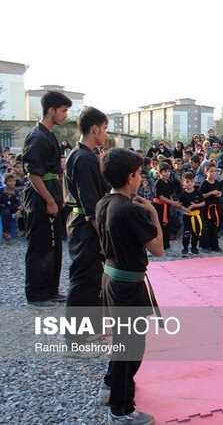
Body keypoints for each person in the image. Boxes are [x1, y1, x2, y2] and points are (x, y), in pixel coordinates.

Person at [96, 147, 162, 425]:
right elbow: (157, 248)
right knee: (130, 348)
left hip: (111, 279)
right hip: (126, 286)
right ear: (130, 177)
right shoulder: (130, 210)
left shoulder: (103, 203)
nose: (141, 178)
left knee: (125, 345)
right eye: (139, 174)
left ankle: (111, 383)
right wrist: (154, 215)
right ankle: (121, 410)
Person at [63, 107, 111, 350]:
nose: (105, 134)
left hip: (82, 223)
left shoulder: (83, 155)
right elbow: (90, 204)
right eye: (104, 129)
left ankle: (90, 326)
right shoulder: (83, 158)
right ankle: (75, 336)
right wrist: (103, 236)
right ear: (95, 129)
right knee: (85, 279)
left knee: (92, 278)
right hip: (85, 225)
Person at [22, 91, 72, 309]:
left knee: (54, 247)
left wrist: (58, 197)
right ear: (51, 110)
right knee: (40, 248)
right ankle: (35, 294)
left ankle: (50, 290)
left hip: (51, 194)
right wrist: (50, 200)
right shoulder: (37, 136)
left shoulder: (49, 134)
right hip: (40, 198)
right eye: (63, 110)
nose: (65, 115)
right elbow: (33, 173)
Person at [152, 162, 181, 250]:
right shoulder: (158, 183)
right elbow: (161, 197)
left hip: (167, 206)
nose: (167, 173)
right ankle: (158, 245)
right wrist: (173, 203)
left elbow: (170, 195)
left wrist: (174, 204)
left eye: (168, 171)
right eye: (164, 171)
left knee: (167, 225)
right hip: (158, 207)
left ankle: (166, 244)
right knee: (159, 225)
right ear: (159, 172)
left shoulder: (169, 183)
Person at [199, 162, 223, 252]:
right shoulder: (204, 183)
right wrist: (211, 193)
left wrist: (219, 193)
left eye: (215, 171)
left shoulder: (217, 183)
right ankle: (205, 246)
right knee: (206, 227)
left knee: (215, 226)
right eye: (211, 171)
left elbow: (221, 191)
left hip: (215, 207)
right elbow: (201, 195)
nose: (214, 173)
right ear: (206, 172)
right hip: (206, 208)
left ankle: (214, 245)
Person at [179, 172, 205, 257]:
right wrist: (185, 209)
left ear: (194, 182)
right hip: (187, 215)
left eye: (191, 181)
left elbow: (203, 203)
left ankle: (194, 247)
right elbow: (180, 204)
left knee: (196, 232)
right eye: (187, 182)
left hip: (196, 215)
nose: (189, 183)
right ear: (183, 183)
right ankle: (185, 248)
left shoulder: (197, 192)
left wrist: (195, 205)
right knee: (187, 232)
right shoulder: (183, 194)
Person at [0, 173, 23, 242]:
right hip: (3, 208)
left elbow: (21, 203)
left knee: (27, 211)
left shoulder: (17, 192)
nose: (12, 183)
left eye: (14, 181)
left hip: (14, 208)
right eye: (10, 181)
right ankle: (6, 234)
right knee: (6, 212)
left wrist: (19, 211)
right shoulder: (1, 191)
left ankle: (27, 231)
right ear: (5, 182)